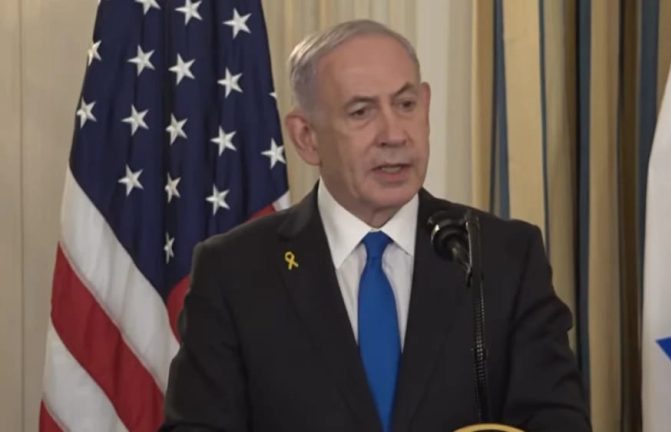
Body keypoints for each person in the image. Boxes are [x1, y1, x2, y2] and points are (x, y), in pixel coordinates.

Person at [162, 19, 590, 432]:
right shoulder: (234, 271)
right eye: (361, 112)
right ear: (307, 137)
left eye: (406, 105)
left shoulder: (502, 256)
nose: (394, 134)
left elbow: (558, 421)